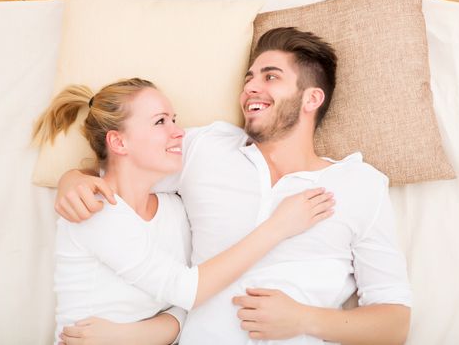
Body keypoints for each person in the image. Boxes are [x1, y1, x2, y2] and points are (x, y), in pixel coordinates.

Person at [55, 27, 412, 345]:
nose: (250, 88)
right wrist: (70, 181)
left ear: (311, 99)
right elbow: (122, 162)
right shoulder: (205, 148)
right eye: (249, 78)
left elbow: (395, 325)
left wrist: (304, 319)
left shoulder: (360, 184)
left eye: (271, 77)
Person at [32, 77, 335, 344]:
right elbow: (189, 290)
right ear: (118, 141)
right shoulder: (95, 210)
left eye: (174, 120)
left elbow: (187, 307)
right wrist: (278, 226)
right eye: (161, 121)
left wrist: (128, 337)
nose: (179, 132)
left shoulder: (174, 208)